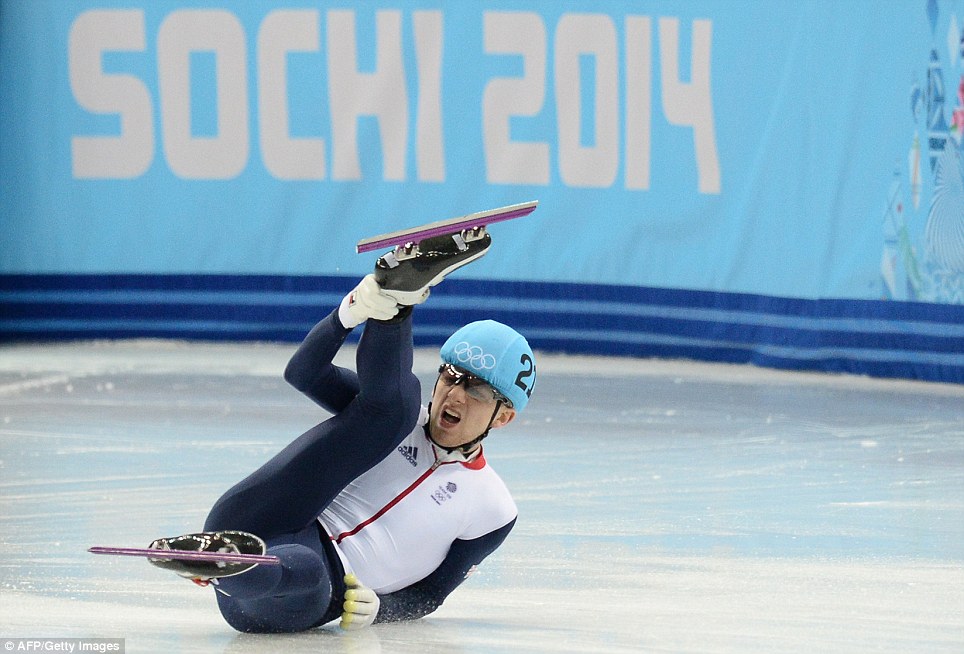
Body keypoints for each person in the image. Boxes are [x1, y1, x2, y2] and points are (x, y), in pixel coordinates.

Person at [147, 232, 537, 633]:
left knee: (307, 568)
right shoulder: (398, 422)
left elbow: (431, 594)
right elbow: (303, 373)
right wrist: (347, 315)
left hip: (301, 593)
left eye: (475, 388)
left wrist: (380, 609)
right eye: (451, 376)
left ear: (503, 417)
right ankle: (394, 303)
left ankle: (231, 568)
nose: (454, 394)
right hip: (258, 518)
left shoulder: (495, 508)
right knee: (398, 413)